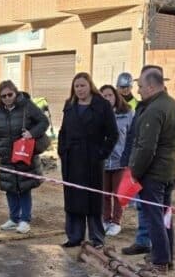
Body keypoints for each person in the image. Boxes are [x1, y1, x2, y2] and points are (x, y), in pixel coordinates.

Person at [124, 66, 175, 274]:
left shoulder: (154, 110)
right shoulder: (174, 105)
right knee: (165, 215)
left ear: (151, 86)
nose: (138, 91)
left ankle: (159, 261)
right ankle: (167, 258)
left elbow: (146, 147)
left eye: (140, 86)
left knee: (154, 217)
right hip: (169, 170)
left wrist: (135, 173)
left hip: (154, 174)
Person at [58, 72, 119, 248]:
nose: (79, 89)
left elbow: (113, 134)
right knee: (73, 198)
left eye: (82, 85)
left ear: (90, 85)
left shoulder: (102, 106)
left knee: (93, 200)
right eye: (76, 86)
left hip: (92, 160)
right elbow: (63, 131)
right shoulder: (69, 105)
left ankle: (96, 238)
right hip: (72, 159)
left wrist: (102, 153)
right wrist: (62, 151)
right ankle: (74, 236)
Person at [0, 80, 49, 234]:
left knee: (24, 188)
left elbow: (43, 121)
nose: (7, 98)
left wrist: (31, 133)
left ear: (15, 93)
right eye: (3, 96)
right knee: (10, 188)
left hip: (24, 154)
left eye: (10, 94)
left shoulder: (27, 106)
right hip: (6, 156)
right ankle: (14, 218)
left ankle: (25, 220)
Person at [119, 71, 152, 255]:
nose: (136, 91)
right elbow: (133, 136)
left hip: (150, 167)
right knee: (141, 205)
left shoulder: (148, 108)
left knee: (152, 207)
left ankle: (155, 245)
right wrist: (127, 160)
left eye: (138, 87)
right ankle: (143, 240)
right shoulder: (141, 108)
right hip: (135, 160)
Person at [99, 84, 135, 237]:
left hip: (121, 160)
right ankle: (106, 220)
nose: (107, 99)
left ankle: (116, 222)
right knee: (104, 193)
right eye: (103, 96)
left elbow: (132, 137)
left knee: (118, 194)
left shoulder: (127, 114)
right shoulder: (97, 113)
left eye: (109, 95)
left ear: (115, 96)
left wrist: (130, 158)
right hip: (103, 161)